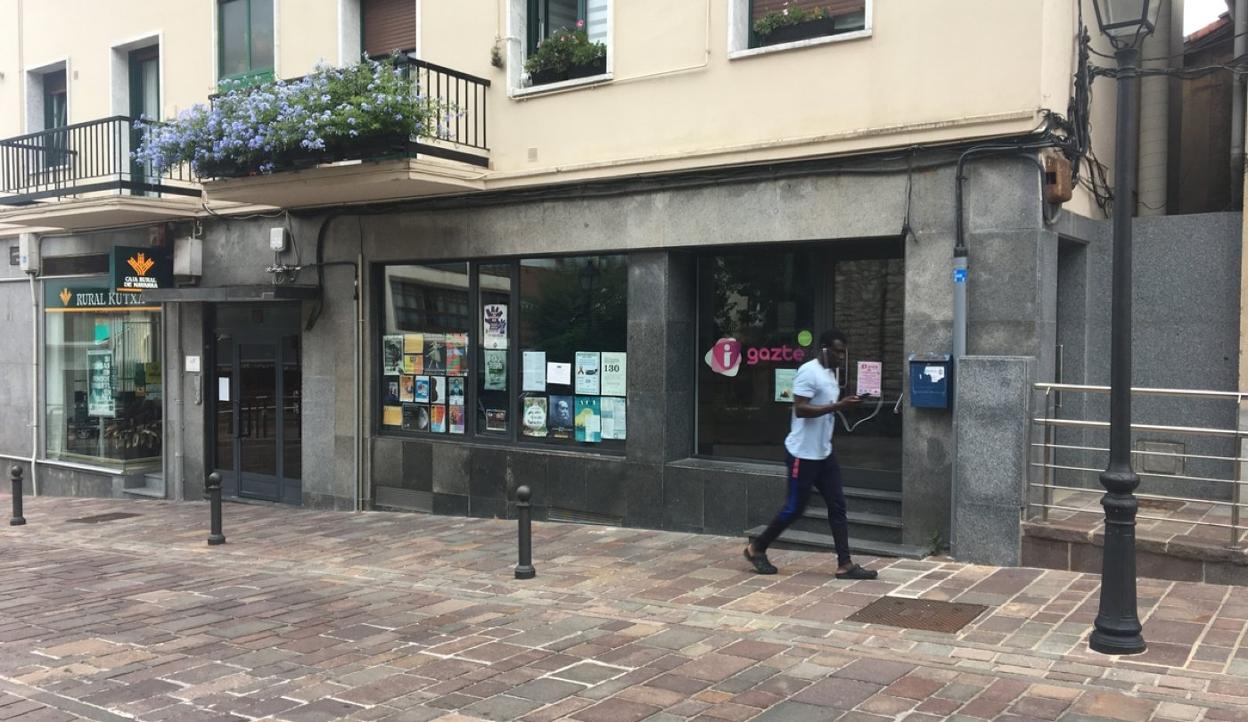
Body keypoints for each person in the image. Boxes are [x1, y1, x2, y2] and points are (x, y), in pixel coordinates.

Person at [744, 329, 878, 579]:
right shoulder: (808, 371)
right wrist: (838, 405)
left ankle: (845, 564)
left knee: (837, 505)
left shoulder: (830, 374)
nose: (841, 356)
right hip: (802, 455)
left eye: (843, 352)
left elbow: (826, 408)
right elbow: (801, 409)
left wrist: (847, 405)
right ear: (824, 349)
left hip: (823, 453)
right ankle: (757, 547)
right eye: (837, 351)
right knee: (794, 508)